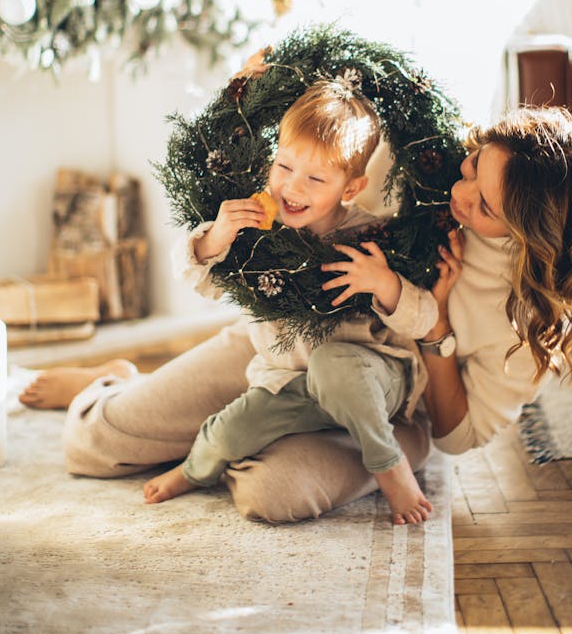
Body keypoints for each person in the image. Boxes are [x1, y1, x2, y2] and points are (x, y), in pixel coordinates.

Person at [20, 104, 572, 525]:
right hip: (282, 349)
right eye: (471, 169)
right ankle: (118, 384)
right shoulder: (425, 170)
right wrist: (252, 89)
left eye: (485, 203)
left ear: (527, 233)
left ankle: (231, 437)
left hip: (387, 407)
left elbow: (461, 435)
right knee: (98, 442)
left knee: (270, 494)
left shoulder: (534, 315)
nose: (459, 195)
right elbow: (318, 143)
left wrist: (437, 331)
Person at [141, 79, 438, 524]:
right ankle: (194, 469)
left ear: (350, 189)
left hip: (369, 380)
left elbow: (426, 319)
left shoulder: (369, 237)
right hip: (287, 383)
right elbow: (197, 278)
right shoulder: (258, 229)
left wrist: (385, 284)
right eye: (283, 166)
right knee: (229, 432)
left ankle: (388, 464)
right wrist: (216, 237)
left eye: (316, 178)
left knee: (333, 365)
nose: (291, 188)